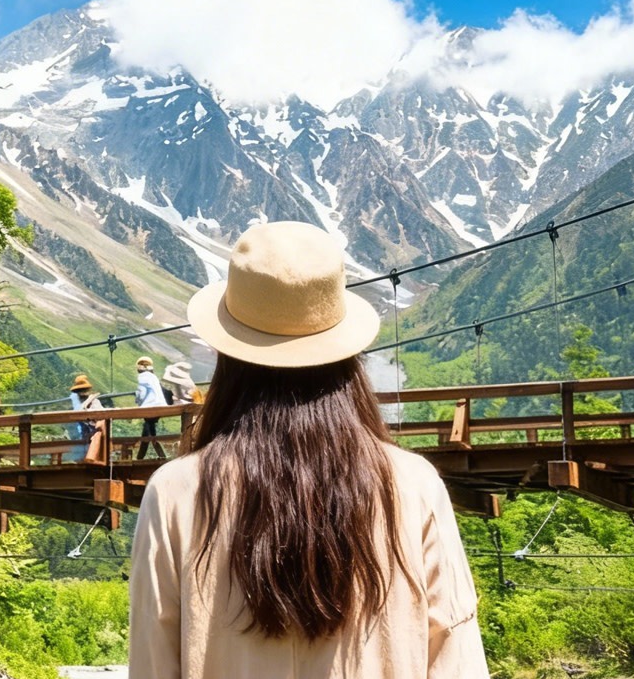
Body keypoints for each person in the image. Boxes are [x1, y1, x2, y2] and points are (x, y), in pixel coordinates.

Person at [130, 221, 488, 678]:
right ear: (347, 356)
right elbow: (455, 660)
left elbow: (153, 662)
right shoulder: (413, 484)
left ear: (228, 356)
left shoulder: (175, 492)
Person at [134, 356, 169, 459]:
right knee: (148, 428)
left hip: (149, 406)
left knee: (148, 428)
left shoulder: (141, 377)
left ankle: (143, 458)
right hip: (160, 406)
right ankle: (145, 456)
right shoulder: (154, 377)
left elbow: (141, 394)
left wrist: (138, 401)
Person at [67, 374, 103, 462]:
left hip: (92, 433)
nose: (81, 393)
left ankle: (87, 458)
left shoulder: (93, 402)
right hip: (85, 434)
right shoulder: (82, 403)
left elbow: (100, 417)